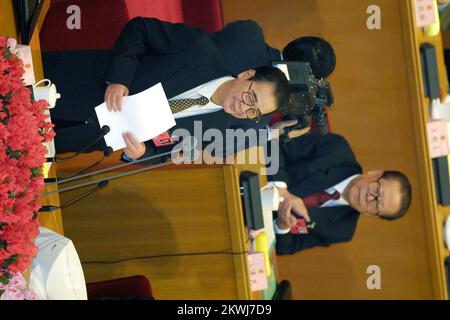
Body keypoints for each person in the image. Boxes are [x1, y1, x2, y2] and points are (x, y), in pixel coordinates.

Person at [44, 17, 290, 163]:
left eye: (253, 112)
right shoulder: (199, 49)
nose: (243, 108)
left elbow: (163, 153)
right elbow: (140, 29)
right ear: (247, 75)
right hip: (71, 83)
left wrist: (141, 153)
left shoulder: (215, 128)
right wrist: (120, 79)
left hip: (78, 137)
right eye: (251, 97)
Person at [265, 131, 412, 255]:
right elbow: (275, 147)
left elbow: (286, 248)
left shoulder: (341, 230)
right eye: (376, 190)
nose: (369, 197)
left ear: (371, 215)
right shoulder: (336, 149)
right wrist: (282, 190)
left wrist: (282, 226)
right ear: (375, 173)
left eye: (376, 204)